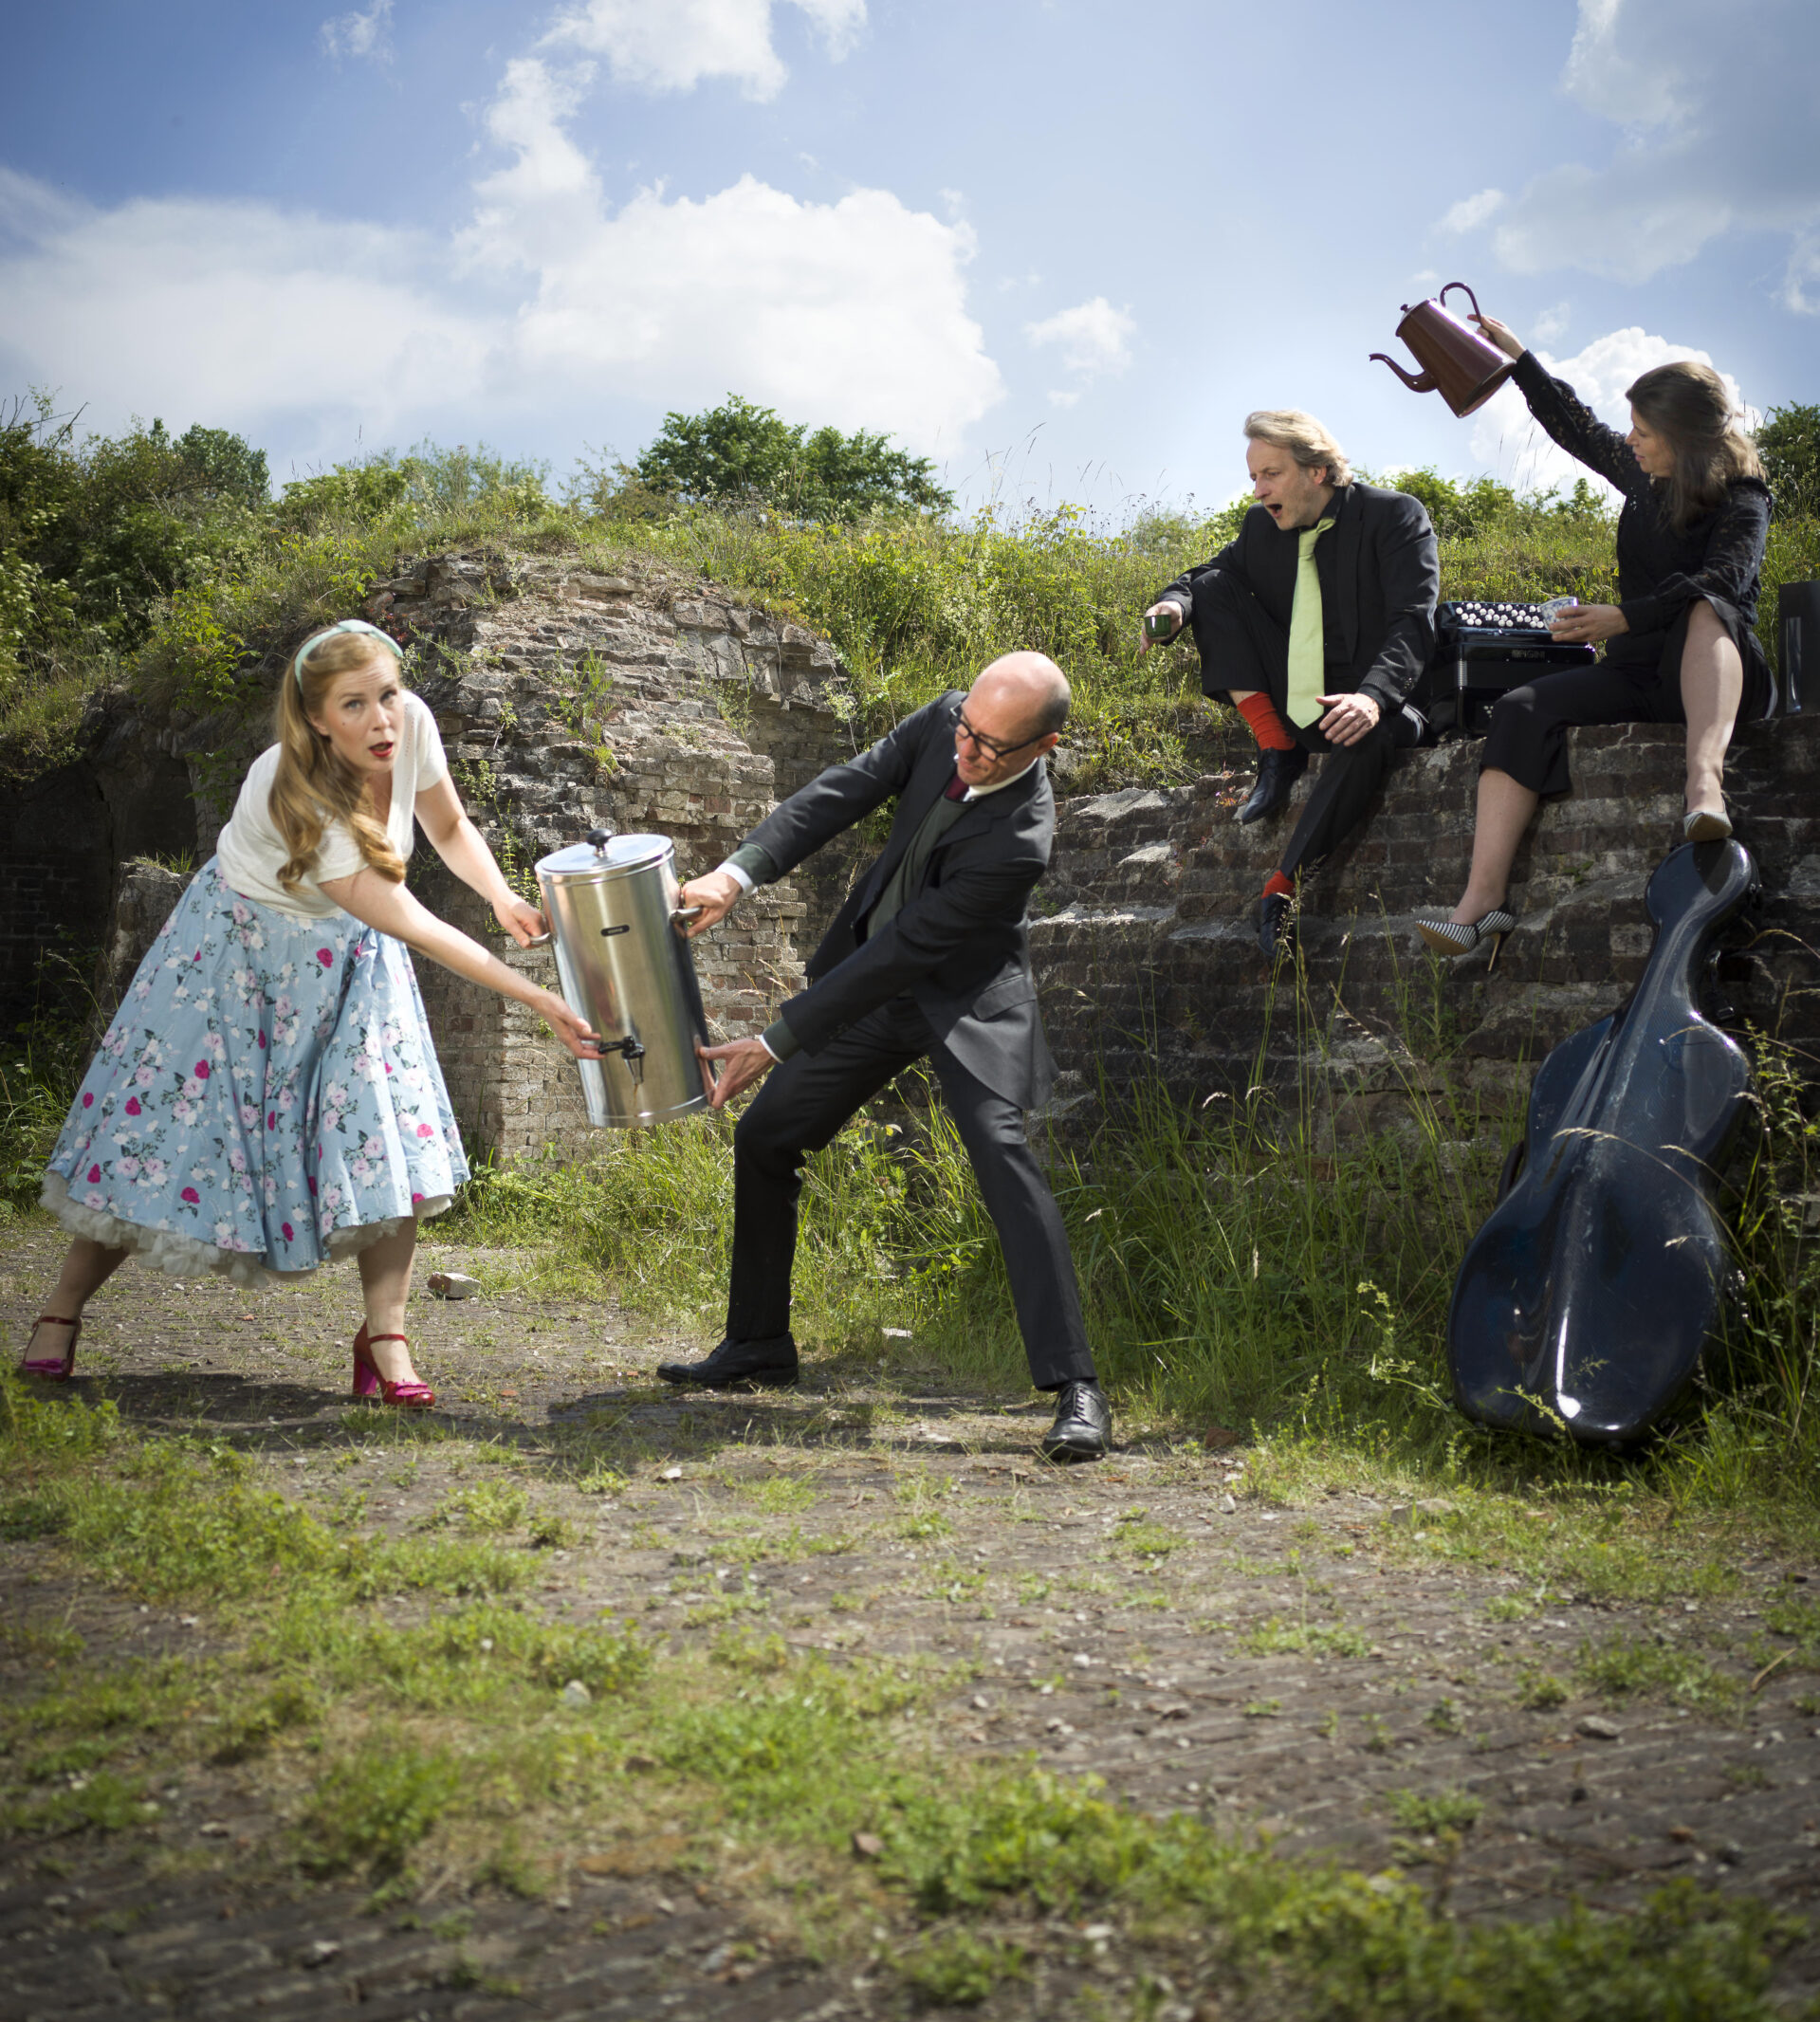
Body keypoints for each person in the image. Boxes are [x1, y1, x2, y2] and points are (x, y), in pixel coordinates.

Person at [23, 620, 598, 1404]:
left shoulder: (410, 724)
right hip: (234, 962)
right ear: (317, 717)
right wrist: (536, 997)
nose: (381, 719)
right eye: (354, 705)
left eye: (388, 695)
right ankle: (60, 1313)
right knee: (157, 1131)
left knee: (389, 1132)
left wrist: (498, 896)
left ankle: (386, 1338)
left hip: (350, 957)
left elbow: (449, 824)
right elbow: (413, 923)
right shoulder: (293, 790)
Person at [662, 652, 1112, 1464]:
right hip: (879, 991)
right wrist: (739, 873)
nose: (967, 751)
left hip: (965, 1002)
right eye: (966, 730)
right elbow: (841, 791)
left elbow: (905, 950)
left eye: (991, 747)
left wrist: (773, 1040)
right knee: (767, 1138)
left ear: (1042, 748)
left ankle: (1074, 1386)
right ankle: (758, 1343)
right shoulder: (949, 718)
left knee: (1004, 1160)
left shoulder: (1019, 840)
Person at [1414, 317, 1774, 960]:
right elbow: (1572, 425)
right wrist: (1518, 358)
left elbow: (1723, 579)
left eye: (1642, 431)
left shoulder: (1743, 499)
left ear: (1684, 440)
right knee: (1522, 708)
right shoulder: (1642, 479)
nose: (1629, 440)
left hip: (1712, 673)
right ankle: (1481, 903)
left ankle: (1704, 785)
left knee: (1705, 607)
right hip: (1636, 672)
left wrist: (1625, 616)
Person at [1145, 410, 1440, 955]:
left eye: (1269, 475)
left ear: (1316, 472)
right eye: (1254, 477)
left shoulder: (1395, 516)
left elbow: (1413, 622)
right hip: (1297, 697)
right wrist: (1173, 603)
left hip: (1382, 702)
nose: (1257, 491)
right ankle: (1277, 748)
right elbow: (1207, 576)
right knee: (1212, 587)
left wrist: (1372, 697)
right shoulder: (1262, 528)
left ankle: (1282, 890)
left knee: (1365, 732)